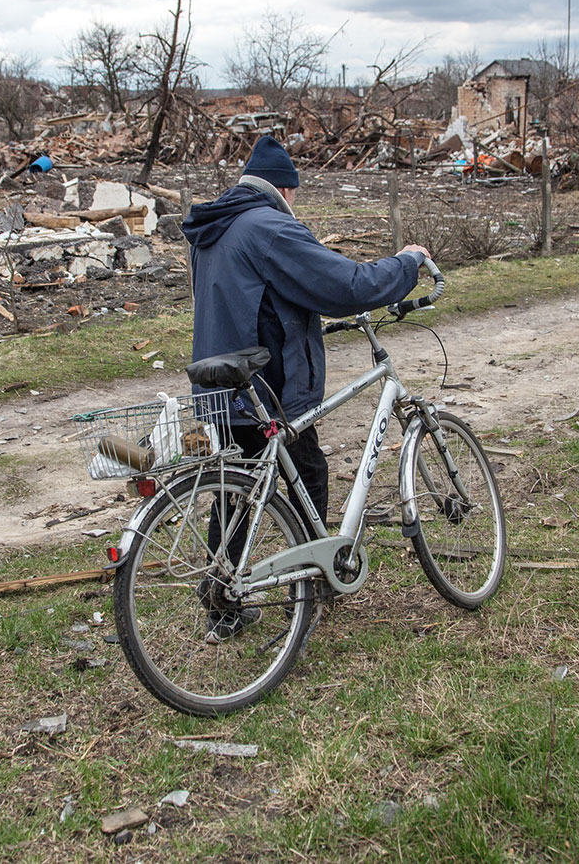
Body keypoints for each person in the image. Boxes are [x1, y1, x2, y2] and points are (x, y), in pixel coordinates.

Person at [181, 135, 429, 638]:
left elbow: (251, 295)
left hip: (220, 382)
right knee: (307, 478)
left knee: (235, 493)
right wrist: (407, 262)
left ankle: (222, 608)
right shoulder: (268, 226)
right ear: (285, 190)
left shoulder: (211, 228)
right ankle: (309, 601)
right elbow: (349, 286)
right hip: (265, 388)